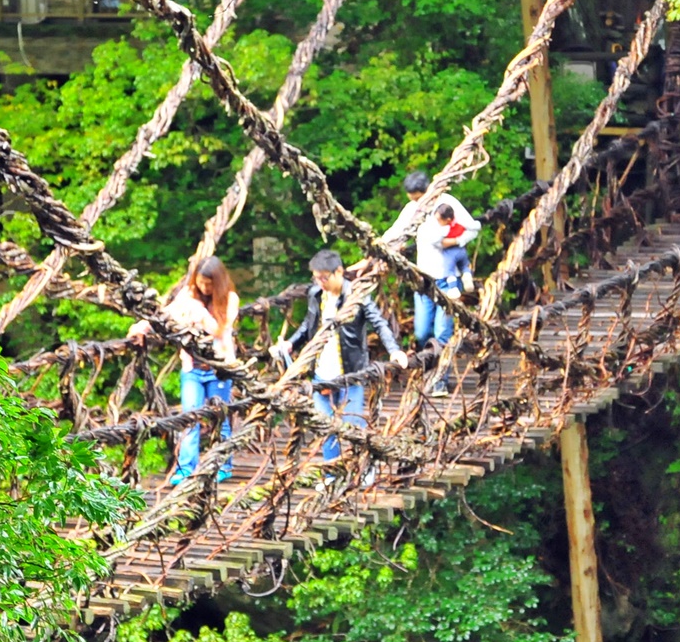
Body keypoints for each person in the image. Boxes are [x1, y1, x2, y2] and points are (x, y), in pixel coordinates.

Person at [272, 249, 408, 464]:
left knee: (355, 426)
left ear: (339, 272)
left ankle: (363, 468)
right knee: (326, 428)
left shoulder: (357, 296)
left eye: (324, 277)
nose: (320, 282)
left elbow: (379, 323)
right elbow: (309, 324)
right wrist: (291, 343)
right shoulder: (316, 294)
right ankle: (330, 473)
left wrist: (394, 350)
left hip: (350, 373)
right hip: (320, 374)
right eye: (316, 277)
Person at [128, 255, 241, 485]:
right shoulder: (189, 296)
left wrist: (199, 313)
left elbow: (219, 331)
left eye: (209, 283)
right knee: (189, 417)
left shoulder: (230, 299)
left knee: (220, 418)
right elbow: (165, 316)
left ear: (217, 281)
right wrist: (141, 327)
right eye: (200, 282)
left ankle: (223, 465)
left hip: (219, 369)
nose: (204, 287)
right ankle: (187, 468)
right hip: (192, 368)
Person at [381, 171, 478, 395]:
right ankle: (431, 370)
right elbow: (397, 231)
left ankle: (439, 381)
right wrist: (378, 245)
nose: (416, 202)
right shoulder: (412, 209)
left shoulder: (447, 203)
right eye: (412, 198)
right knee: (422, 332)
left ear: (428, 191)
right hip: (422, 281)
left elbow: (472, 228)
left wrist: (454, 241)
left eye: (418, 197)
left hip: (447, 282)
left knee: (442, 332)